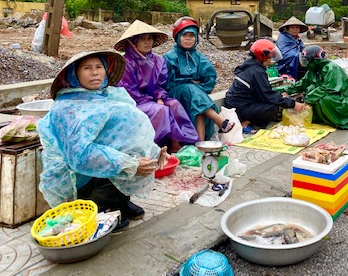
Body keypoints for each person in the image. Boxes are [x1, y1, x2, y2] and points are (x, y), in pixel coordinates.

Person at [37, 50, 169, 231]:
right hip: (78, 174)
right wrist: (129, 164)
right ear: (74, 74)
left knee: (130, 153)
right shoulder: (66, 108)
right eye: (87, 68)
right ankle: (98, 206)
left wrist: (153, 152)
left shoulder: (110, 95)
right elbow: (81, 156)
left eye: (99, 67)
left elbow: (129, 134)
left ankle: (120, 201)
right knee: (122, 162)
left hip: (103, 162)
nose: (95, 72)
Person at [115, 20, 199, 154]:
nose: (147, 42)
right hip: (134, 102)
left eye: (150, 38)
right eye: (142, 39)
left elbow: (160, 84)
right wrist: (152, 100)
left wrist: (160, 97)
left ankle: (178, 144)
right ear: (132, 42)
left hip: (152, 98)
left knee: (174, 104)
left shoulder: (158, 60)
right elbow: (128, 90)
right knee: (160, 110)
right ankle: (149, 149)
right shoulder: (126, 63)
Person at [164, 16, 234, 141]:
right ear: (178, 37)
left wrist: (195, 86)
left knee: (196, 101)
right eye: (185, 35)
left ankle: (200, 143)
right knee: (192, 91)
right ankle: (219, 120)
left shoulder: (199, 57)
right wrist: (191, 83)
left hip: (195, 96)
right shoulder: (169, 57)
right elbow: (169, 82)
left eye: (192, 36)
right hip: (175, 94)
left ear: (196, 38)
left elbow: (210, 78)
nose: (188, 39)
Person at [225, 39, 306, 134]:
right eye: (269, 57)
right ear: (262, 56)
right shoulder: (257, 71)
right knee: (272, 107)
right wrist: (293, 104)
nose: (270, 60)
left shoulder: (251, 66)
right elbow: (268, 95)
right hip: (239, 108)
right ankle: (244, 123)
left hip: (237, 104)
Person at [282, 45, 348, 130]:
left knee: (323, 98)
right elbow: (302, 83)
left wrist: (307, 100)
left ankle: (339, 120)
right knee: (311, 90)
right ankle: (323, 117)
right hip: (332, 97)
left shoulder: (331, 68)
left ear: (315, 60)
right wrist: (286, 90)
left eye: (306, 60)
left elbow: (326, 89)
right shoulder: (313, 71)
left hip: (343, 100)